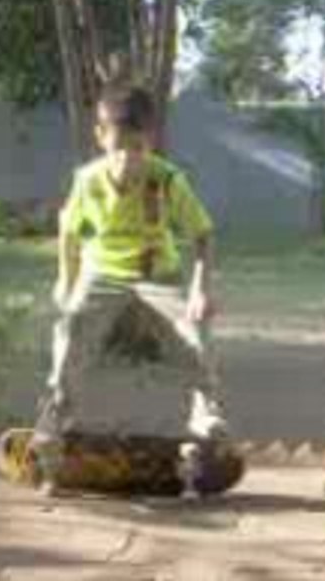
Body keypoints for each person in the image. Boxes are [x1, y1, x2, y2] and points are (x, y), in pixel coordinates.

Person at [31, 83, 228, 490]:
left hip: (158, 277)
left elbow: (204, 234)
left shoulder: (168, 180)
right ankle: (55, 415)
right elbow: (69, 233)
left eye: (136, 148)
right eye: (118, 146)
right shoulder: (86, 181)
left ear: (150, 141)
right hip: (102, 274)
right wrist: (66, 282)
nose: (127, 158)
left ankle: (205, 416)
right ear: (101, 137)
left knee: (195, 331)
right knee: (70, 327)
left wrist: (199, 290)